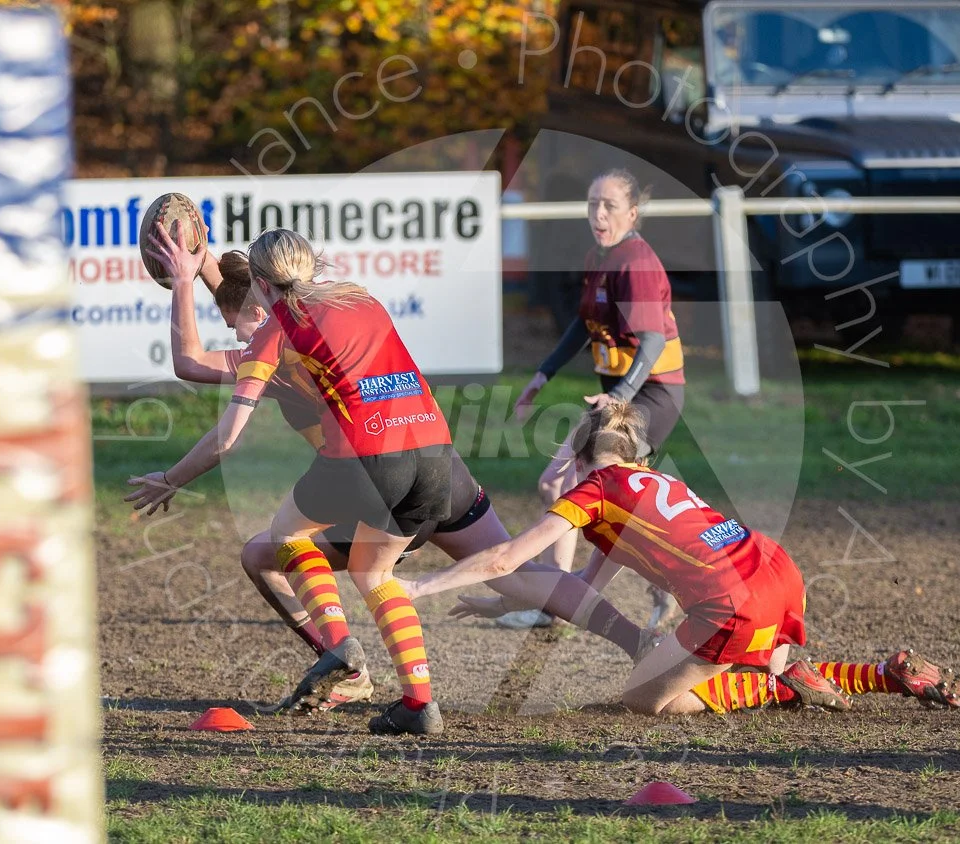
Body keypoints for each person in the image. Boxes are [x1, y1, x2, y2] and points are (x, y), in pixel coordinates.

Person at [131, 226, 654, 734]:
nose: (235, 336)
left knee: (268, 549)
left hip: (367, 476)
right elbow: (262, 297)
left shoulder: (275, 348)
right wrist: (203, 266)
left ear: (262, 302)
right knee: (515, 574)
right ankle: (639, 643)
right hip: (438, 464)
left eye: (236, 323)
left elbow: (194, 363)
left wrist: (184, 279)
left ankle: (344, 659)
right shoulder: (357, 299)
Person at [399, 402, 960, 716]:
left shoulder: (595, 492)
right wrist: (498, 600)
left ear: (582, 459)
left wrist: (422, 589)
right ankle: (863, 673)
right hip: (776, 569)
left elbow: (505, 557)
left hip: (736, 602)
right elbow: (573, 585)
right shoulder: (650, 482)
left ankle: (780, 672)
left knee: (650, 702)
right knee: (705, 660)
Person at [508, 168, 687, 629]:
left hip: (652, 394)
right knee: (579, 489)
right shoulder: (600, 256)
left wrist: (621, 397)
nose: (598, 212)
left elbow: (650, 341)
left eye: (609, 204)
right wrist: (543, 374)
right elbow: (581, 325)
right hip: (620, 394)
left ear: (632, 212)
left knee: (575, 486)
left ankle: (559, 603)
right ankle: (656, 585)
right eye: (592, 203)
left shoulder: (636, 263)